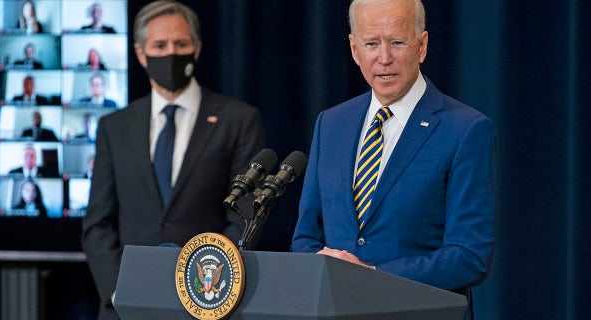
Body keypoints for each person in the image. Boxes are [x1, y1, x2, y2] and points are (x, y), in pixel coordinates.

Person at [290, 1, 495, 319]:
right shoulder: (330, 124)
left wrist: (370, 274)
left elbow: (469, 256)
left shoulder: (465, 129)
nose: (384, 58)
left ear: (422, 45)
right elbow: (305, 237)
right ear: (355, 49)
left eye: (397, 42)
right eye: (372, 43)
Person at [81, 1, 265, 318]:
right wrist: (119, 290)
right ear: (141, 54)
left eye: (180, 44)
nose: (170, 53)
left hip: (209, 300)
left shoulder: (239, 120)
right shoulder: (114, 126)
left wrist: (207, 290)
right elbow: (98, 223)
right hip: (125, 306)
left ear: (196, 48)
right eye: (159, 45)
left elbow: (244, 218)